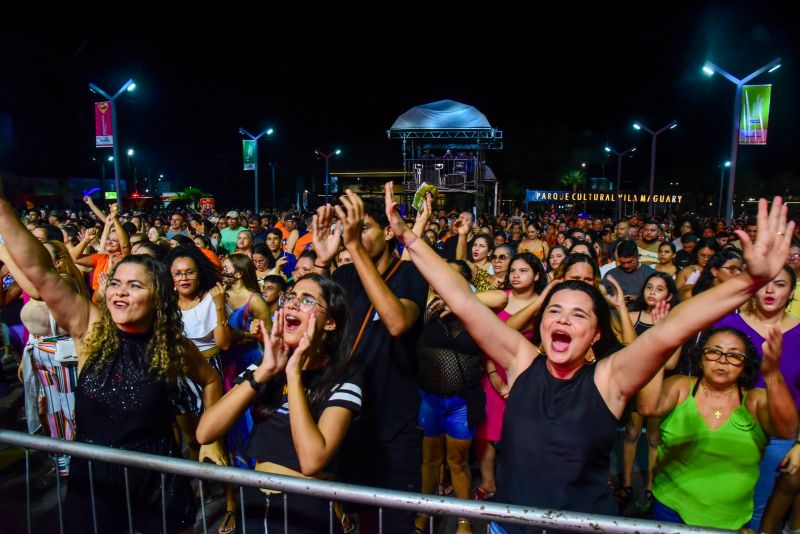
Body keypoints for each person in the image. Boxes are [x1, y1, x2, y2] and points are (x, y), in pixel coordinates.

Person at [381, 182, 793, 533]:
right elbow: (461, 298)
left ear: (596, 334)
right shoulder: (521, 360)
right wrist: (409, 238)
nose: (562, 319)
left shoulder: (609, 379)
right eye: (555, 312)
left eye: (578, 314)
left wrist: (751, 280)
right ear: (542, 325)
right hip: (506, 525)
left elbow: (674, 327)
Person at [0, 180, 223, 533]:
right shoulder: (92, 329)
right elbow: (40, 271)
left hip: (156, 475)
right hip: (95, 474)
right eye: (116, 283)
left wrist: (209, 438)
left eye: (135, 286)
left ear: (159, 298)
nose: (120, 292)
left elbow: (210, 379)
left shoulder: (171, 343)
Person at [196, 274, 362, 533]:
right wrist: (267, 369)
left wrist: (294, 373)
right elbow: (206, 431)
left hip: (305, 508)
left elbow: (311, 461)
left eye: (307, 301)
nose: (293, 305)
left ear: (330, 322)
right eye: (291, 297)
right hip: (253, 502)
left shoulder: (345, 378)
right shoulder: (267, 367)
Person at [310, 190, 428, 533]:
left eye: (363, 228)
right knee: (353, 516)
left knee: (393, 521)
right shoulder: (344, 278)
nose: (352, 237)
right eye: (349, 229)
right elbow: (310, 324)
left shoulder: (411, 276)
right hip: (348, 419)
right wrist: (321, 261)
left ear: (388, 232)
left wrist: (355, 252)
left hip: (394, 424)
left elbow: (396, 322)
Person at [638, 326, 797, 528]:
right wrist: (658, 348)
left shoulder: (754, 400)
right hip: (671, 509)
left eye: (734, 355)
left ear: (744, 364)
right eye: (714, 352)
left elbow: (787, 428)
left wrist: (773, 374)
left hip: (729, 520)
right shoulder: (681, 387)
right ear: (700, 357)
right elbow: (647, 407)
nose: (722, 360)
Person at [713, 265, 800, 529]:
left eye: (780, 284)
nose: (771, 290)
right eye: (765, 283)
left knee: (758, 504)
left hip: (780, 435)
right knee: (721, 498)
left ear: (792, 291)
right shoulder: (728, 326)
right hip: (730, 428)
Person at [414, 260, 483, 534]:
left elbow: (499, 296)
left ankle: (464, 520)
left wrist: (461, 298)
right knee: (430, 460)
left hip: (461, 403)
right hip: (429, 399)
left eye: (453, 278)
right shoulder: (424, 308)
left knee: (458, 462)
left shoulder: (475, 311)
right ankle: (424, 510)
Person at [618, 272, 680, 508]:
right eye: (649, 287)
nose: (652, 292)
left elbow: (672, 363)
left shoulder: (674, 321)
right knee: (631, 433)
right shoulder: (632, 317)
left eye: (659, 288)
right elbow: (626, 354)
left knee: (654, 437)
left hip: (659, 387)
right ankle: (626, 484)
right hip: (636, 386)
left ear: (669, 295)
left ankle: (650, 487)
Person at [601, 240, 655, 311]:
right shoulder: (611, 275)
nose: (626, 266)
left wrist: (640, 300)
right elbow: (600, 299)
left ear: (637, 256)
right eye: (622, 262)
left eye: (630, 262)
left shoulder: (650, 274)